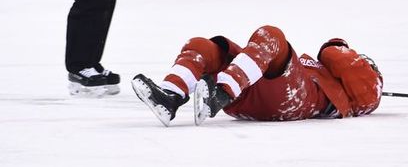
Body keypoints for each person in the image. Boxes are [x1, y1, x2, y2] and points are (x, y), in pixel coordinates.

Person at [131, 25, 383, 127]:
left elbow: (338, 58)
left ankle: (221, 93)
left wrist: (335, 45)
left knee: (271, 35)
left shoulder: (359, 87)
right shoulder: (315, 69)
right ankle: (171, 96)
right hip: (256, 90)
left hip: (293, 100)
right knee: (202, 46)